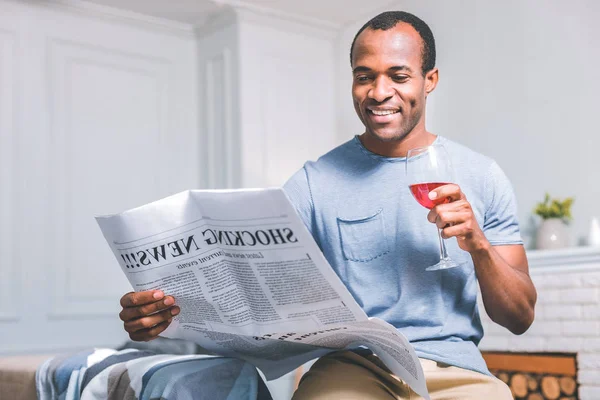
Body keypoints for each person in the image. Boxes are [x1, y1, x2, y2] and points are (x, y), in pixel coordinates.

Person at [118, 11, 537, 400]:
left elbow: (519, 318)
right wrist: (164, 314)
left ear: (430, 80)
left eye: (399, 75)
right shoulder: (312, 183)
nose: (379, 92)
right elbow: (255, 295)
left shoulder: (481, 175)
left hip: (456, 370)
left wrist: (477, 245)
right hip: (353, 368)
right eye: (364, 76)